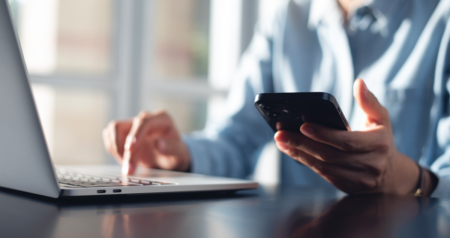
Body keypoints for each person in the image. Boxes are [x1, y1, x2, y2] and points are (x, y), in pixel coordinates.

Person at [103, 0, 450, 197]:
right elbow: (234, 142)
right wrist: (179, 156)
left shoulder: (442, 19)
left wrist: (407, 179)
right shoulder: (287, 19)